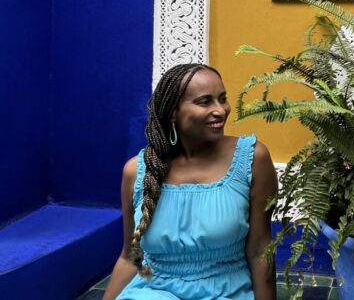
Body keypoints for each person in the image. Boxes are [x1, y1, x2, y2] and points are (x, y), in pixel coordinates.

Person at [103, 63, 278, 300]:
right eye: (205, 102)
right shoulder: (137, 172)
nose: (221, 110)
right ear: (173, 112)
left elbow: (259, 252)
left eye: (222, 98)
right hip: (153, 292)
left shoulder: (251, 159)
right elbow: (129, 257)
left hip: (225, 291)